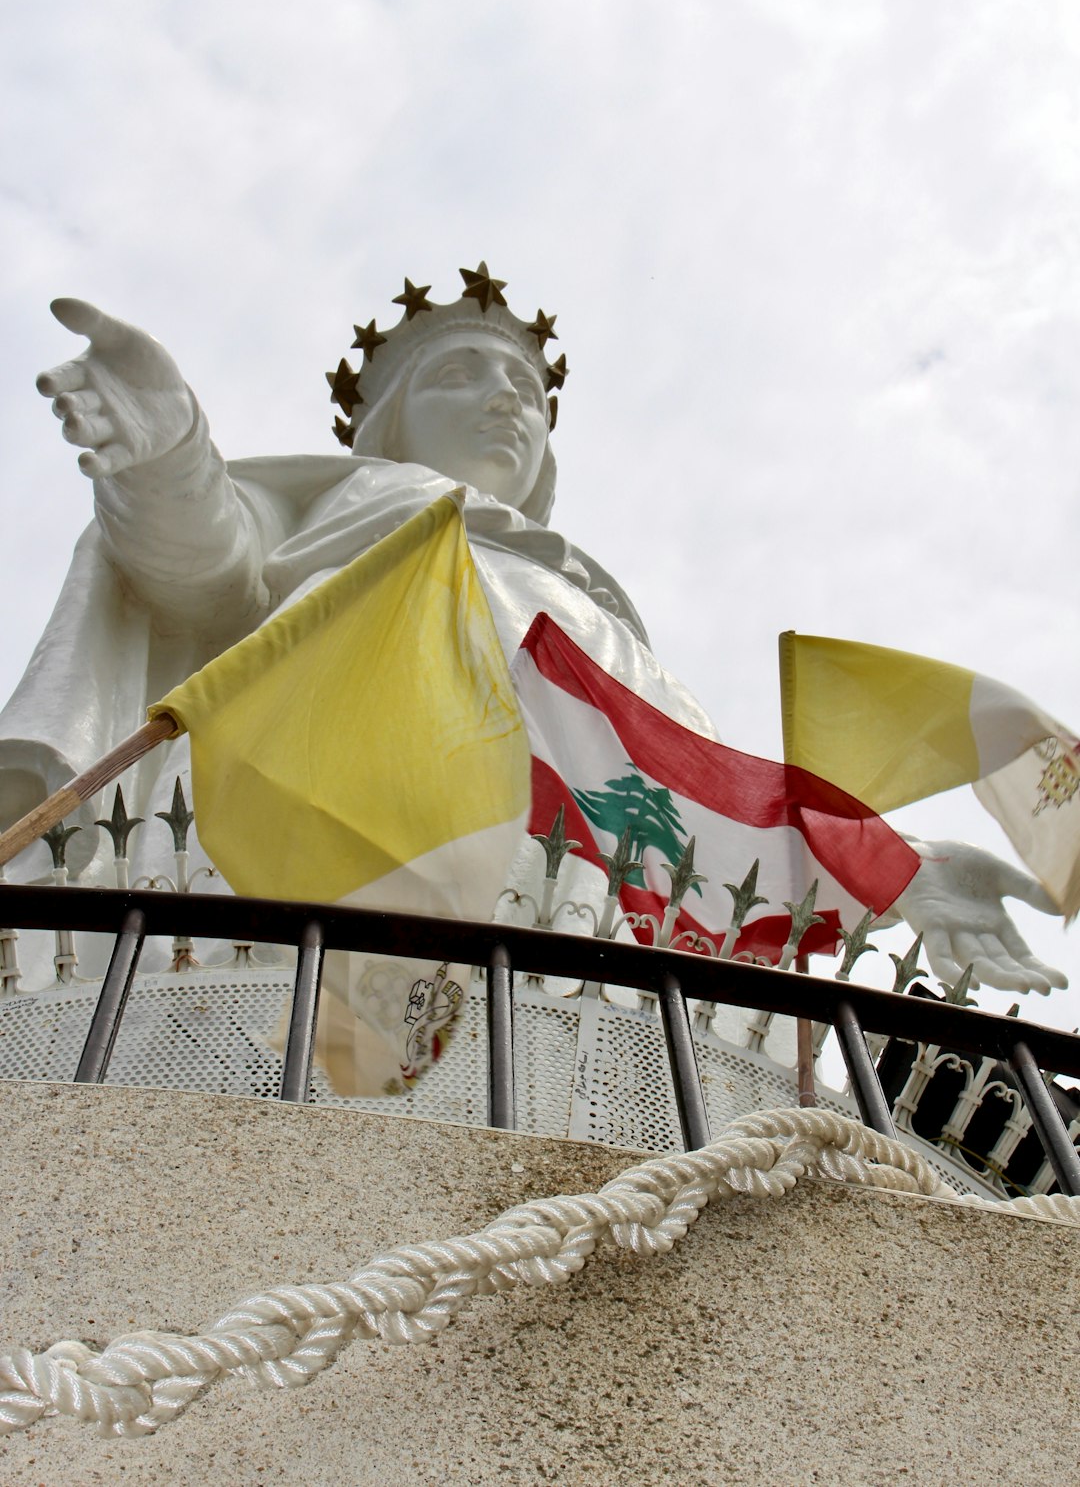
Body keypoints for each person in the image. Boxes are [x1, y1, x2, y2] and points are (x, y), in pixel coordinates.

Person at [2, 266, 1067, 1000]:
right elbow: (200, 564)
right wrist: (165, 451)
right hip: (291, 876)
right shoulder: (343, 503)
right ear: (391, 419)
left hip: (573, 963)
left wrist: (899, 870)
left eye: (524, 388)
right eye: (459, 376)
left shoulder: (603, 626)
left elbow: (678, 809)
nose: (504, 401)